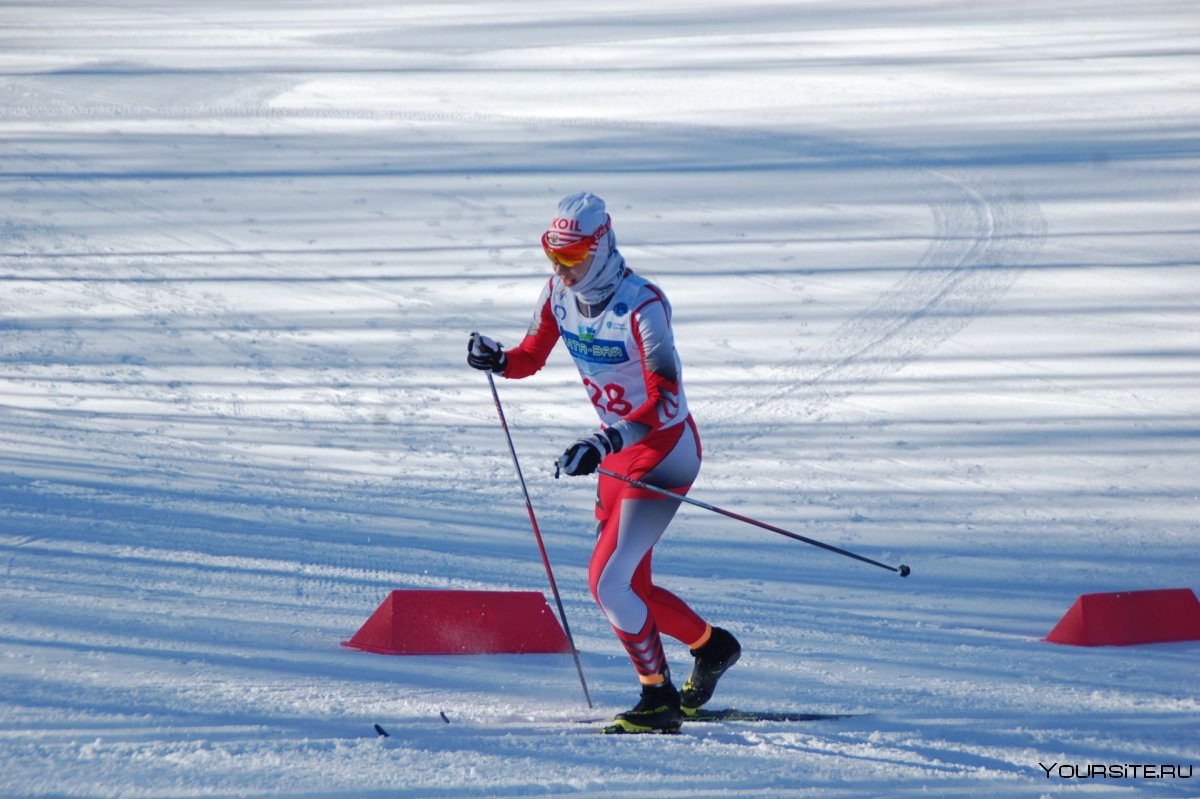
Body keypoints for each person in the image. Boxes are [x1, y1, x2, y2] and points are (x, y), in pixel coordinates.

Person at [467, 191, 740, 734]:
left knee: (606, 583)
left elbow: (668, 402)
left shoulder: (643, 306)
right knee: (628, 586)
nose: (562, 270)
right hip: (617, 456)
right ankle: (713, 647)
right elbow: (530, 355)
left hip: (663, 451)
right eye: (553, 257)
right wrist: (499, 359)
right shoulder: (558, 295)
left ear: (603, 246)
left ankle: (657, 699)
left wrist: (605, 440)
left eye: (572, 258)